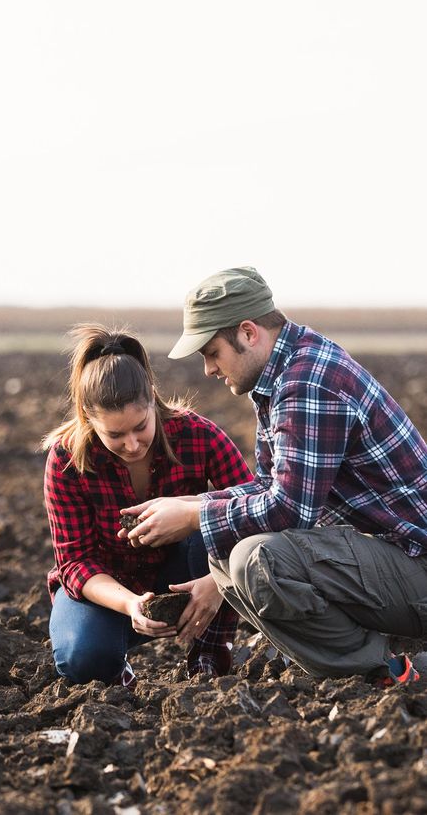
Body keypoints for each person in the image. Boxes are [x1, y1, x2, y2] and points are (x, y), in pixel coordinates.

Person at [122, 266, 427, 685]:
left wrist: (194, 518)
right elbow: (271, 485)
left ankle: (390, 673)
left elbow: (289, 511)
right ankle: (374, 663)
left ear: (248, 333)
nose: (209, 369)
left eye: (212, 352)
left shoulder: (307, 384)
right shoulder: (283, 372)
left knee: (255, 559)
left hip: (417, 563)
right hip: (397, 559)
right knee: (229, 550)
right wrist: (193, 504)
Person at [44, 324, 253, 686]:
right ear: (87, 418)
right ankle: (115, 669)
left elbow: (255, 508)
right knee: (82, 658)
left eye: (140, 426)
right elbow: (75, 561)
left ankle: (209, 654)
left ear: (153, 399)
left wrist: (218, 582)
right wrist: (129, 604)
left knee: (215, 520)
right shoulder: (66, 460)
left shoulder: (198, 436)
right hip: (109, 587)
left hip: (186, 573)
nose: (132, 444)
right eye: (115, 435)